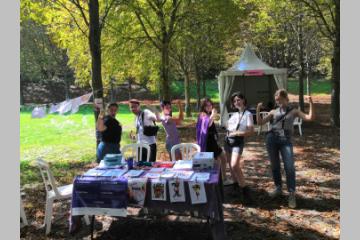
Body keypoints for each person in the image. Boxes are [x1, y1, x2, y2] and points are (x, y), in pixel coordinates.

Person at [256, 89, 315, 208]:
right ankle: (278, 188)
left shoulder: (294, 111)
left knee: (289, 167)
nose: (279, 102)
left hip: (285, 141)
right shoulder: (273, 111)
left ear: (286, 99)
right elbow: (260, 122)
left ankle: (291, 193)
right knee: (275, 166)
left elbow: (310, 118)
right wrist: (258, 110)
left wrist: (311, 104)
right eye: (277, 100)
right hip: (272, 139)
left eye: (281, 100)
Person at [224, 92, 255, 202]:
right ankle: (236, 188)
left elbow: (251, 131)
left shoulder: (248, 114)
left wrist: (237, 133)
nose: (236, 102)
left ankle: (245, 191)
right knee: (231, 167)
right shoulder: (235, 114)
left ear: (243, 100)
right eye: (235, 101)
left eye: (238, 100)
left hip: (237, 142)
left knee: (234, 165)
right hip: (227, 141)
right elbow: (228, 126)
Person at [196, 98, 228, 183]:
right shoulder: (202, 115)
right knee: (217, 163)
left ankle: (223, 178)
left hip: (213, 141)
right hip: (208, 143)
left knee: (223, 159)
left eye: (210, 105)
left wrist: (213, 115)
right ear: (203, 107)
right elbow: (208, 125)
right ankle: (218, 181)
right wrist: (213, 115)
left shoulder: (208, 114)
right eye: (207, 105)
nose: (209, 107)